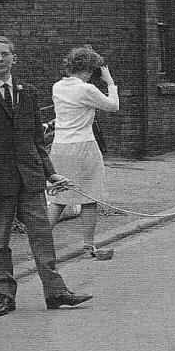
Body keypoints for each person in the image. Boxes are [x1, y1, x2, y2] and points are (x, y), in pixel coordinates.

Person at [0, 36, 92, 316]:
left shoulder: (28, 92)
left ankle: (55, 293)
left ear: (13, 59)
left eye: (5, 54)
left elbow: (37, 140)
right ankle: (5, 295)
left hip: (29, 179)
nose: (0, 59)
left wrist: (51, 173)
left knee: (42, 236)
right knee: (0, 242)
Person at [47, 46, 120, 260]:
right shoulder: (86, 90)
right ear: (89, 69)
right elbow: (113, 106)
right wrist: (110, 82)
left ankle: (39, 242)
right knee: (89, 197)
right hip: (83, 147)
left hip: (59, 147)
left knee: (59, 198)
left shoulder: (57, 87)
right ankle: (88, 247)